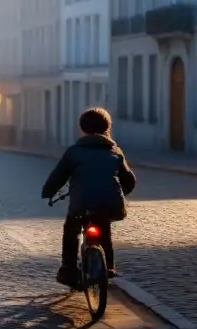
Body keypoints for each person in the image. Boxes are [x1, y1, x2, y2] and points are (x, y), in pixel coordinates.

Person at [40, 107, 135, 288]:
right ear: (107, 126)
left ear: (82, 128)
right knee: (103, 227)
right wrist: (123, 191)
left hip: (81, 202)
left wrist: (48, 192)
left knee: (71, 228)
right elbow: (129, 179)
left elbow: (58, 176)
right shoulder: (115, 151)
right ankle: (109, 266)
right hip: (110, 202)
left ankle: (68, 269)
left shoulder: (74, 152)